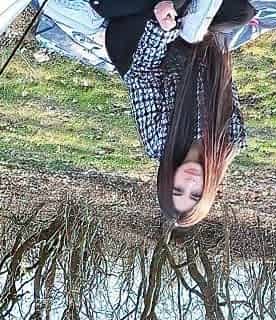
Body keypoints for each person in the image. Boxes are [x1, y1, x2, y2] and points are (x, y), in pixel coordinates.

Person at [89, 0, 256, 228]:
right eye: (195, 193)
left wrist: (164, 30)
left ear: (168, 182)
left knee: (168, 5)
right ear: (207, 191)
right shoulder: (231, 141)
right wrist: (199, 38)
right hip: (192, 45)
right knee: (241, 13)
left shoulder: (157, 142)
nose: (189, 182)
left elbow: (142, 73)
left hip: (141, 45)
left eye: (178, 189)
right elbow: (225, 82)